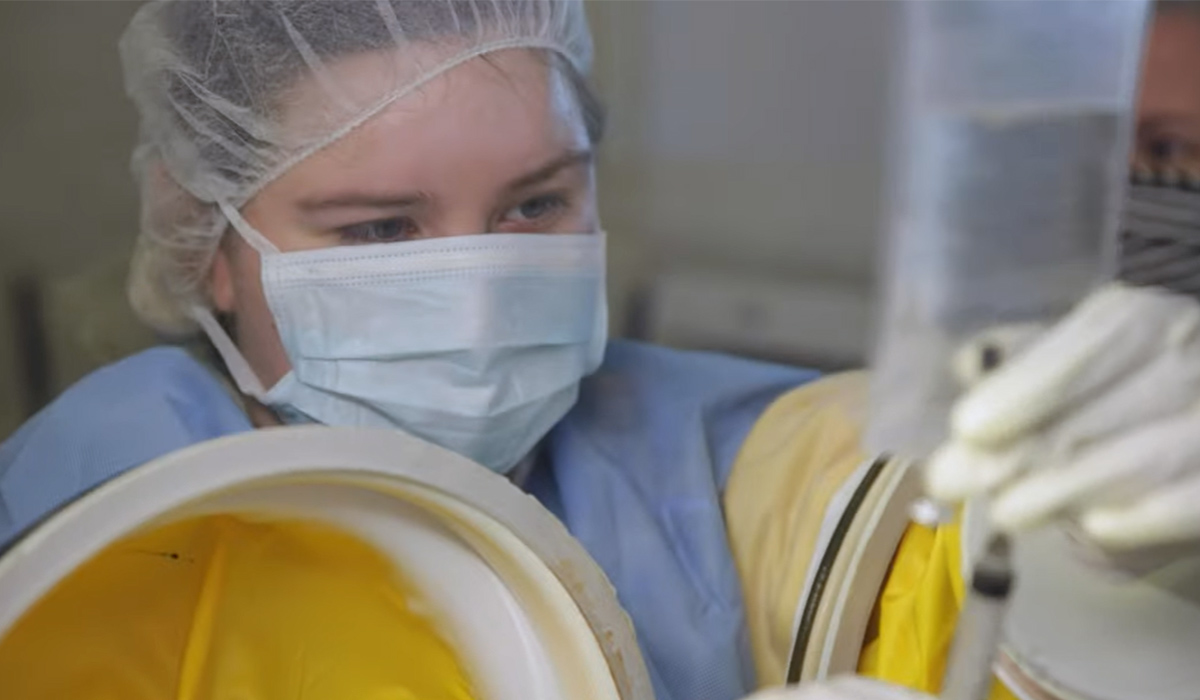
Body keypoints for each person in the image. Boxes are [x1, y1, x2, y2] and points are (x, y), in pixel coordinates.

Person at [1, 2, 1199, 700]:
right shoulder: (93, 514)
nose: (476, 285)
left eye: (533, 205)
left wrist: (1098, 569)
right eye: (380, 230)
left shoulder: (697, 445)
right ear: (208, 240)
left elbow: (905, 548)